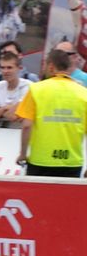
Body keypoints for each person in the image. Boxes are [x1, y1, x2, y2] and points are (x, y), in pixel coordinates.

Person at [16, 47, 87, 177]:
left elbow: (26, 126)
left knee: (37, 197)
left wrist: (23, 153)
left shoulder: (36, 90)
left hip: (41, 161)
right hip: (72, 162)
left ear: (51, 67)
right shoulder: (84, 93)